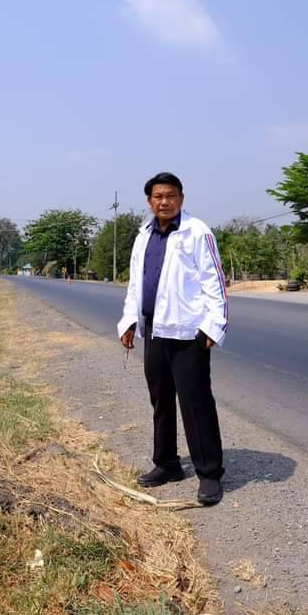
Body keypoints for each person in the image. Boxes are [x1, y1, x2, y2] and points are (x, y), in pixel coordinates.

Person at [117, 172, 229, 506]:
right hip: (154, 330)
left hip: (188, 333)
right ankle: (167, 463)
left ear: (181, 198)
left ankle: (209, 473)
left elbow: (214, 281)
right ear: (149, 201)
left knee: (196, 402)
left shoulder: (197, 232)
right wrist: (129, 321)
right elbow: (136, 284)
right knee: (161, 400)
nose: (164, 202)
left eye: (170, 196)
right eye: (158, 196)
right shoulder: (143, 235)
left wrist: (214, 325)